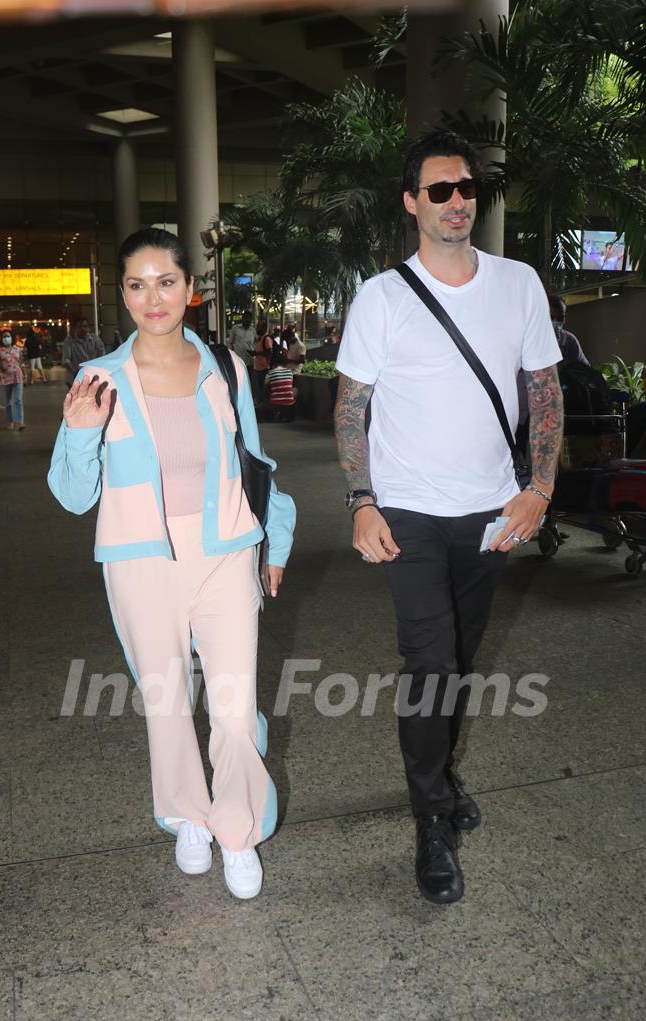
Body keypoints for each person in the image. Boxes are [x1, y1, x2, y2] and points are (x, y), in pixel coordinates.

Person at [334, 130, 563, 906]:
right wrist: (362, 501)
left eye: (466, 188)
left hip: (491, 512)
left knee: (460, 659)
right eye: (440, 190)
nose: (457, 201)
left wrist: (540, 486)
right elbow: (351, 407)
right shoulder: (382, 297)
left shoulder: (518, 284)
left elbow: (543, 389)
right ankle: (431, 817)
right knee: (431, 663)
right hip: (410, 513)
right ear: (412, 203)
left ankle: (439, 772)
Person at [48, 227, 295, 901]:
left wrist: (275, 539)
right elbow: (73, 497)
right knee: (167, 704)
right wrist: (77, 429)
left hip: (224, 551)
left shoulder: (227, 369)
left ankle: (238, 830)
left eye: (166, 282)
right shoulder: (99, 380)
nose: (152, 298)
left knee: (236, 707)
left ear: (191, 290)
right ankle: (190, 816)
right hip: (139, 562)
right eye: (136, 284)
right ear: (121, 293)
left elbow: (255, 464)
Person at [0, 330, 26, 431]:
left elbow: (22, 363)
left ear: (11, 337)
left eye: (8, 336)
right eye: (4, 336)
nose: (6, 338)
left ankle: (20, 422)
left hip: (18, 376)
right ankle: (10, 422)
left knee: (18, 400)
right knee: (8, 402)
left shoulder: (17, 349)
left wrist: (26, 375)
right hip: (6, 378)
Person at [61, 316, 105, 386]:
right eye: (79, 327)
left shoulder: (95, 339)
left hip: (92, 377)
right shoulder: (69, 341)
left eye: (85, 326)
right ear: (75, 328)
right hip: (75, 379)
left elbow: (102, 355)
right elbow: (65, 360)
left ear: (88, 328)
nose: (82, 329)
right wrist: (77, 373)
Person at [548, 296, 590, 366]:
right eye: (551, 317)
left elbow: (585, 369)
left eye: (560, 318)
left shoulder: (568, 340)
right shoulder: (529, 341)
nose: (556, 322)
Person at [257, 358, 298, 423]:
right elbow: (289, 385)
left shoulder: (270, 373)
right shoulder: (289, 372)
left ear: (273, 365)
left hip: (274, 403)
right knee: (295, 390)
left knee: (264, 401)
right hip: (289, 403)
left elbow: (266, 388)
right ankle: (289, 412)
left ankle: (273, 413)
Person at [252, 319, 273, 404]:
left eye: (259, 327)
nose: (257, 329)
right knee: (259, 389)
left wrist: (256, 353)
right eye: (257, 327)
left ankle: (264, 406)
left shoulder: (266, 339)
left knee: (264, 389)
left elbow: (269, 352)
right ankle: (261, 405)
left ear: (264, 328)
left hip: (264, 368)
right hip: (258, 368)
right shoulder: (259, 339)